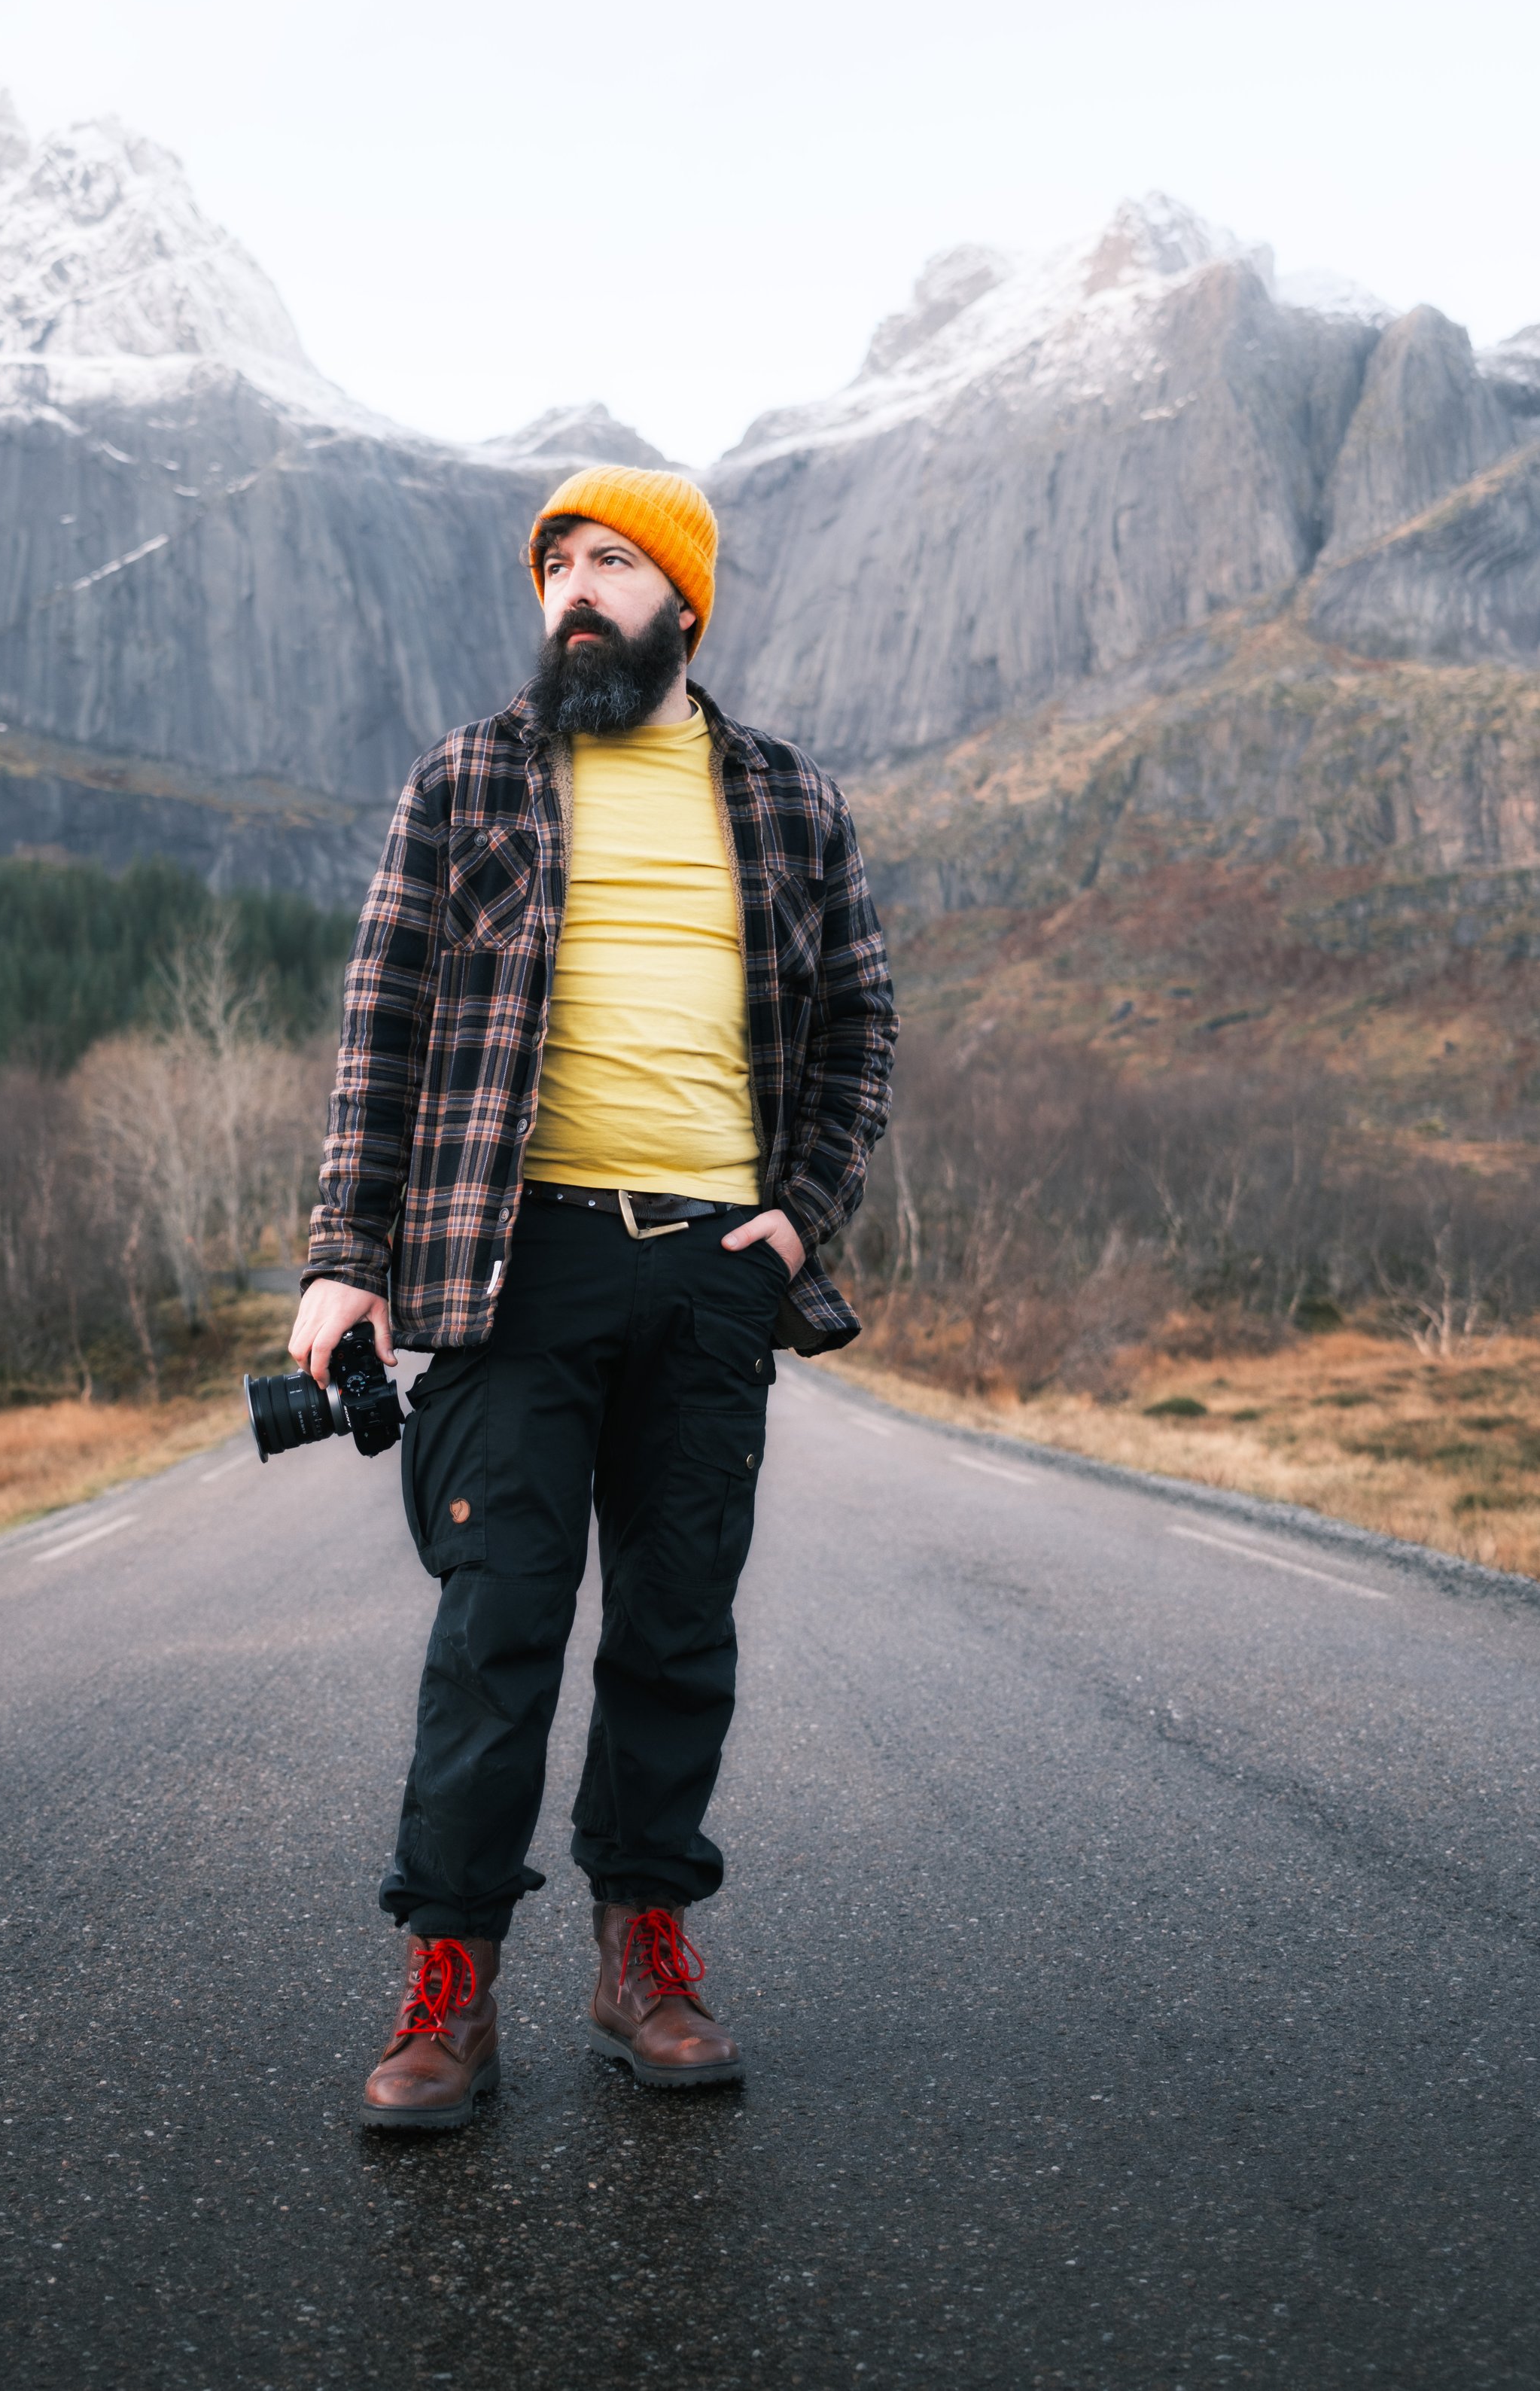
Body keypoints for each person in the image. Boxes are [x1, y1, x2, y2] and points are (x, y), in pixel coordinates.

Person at [291, 464, 896, 2129]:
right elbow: (382, 1026)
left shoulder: (784, 799)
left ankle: (644, 1954)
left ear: (681, 604)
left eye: (611, 559)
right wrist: (347, 1252)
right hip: (512, 1252)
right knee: (495, 1621)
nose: (571, 583)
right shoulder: (469, 778)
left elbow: (856, 1024)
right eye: (553, 558)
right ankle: (450, 1985)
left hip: (711, 1266)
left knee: (676, 1620)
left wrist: (796, 1218)